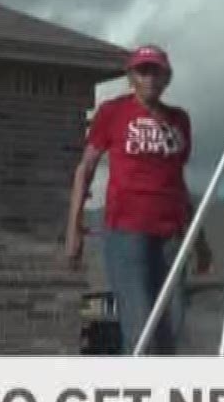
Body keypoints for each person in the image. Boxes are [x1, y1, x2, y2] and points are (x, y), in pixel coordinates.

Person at [65, 44, 212, 355]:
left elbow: (178, 181)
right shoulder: (113, 112)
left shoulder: (178, 119)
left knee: (170, 326)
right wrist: (74, 228)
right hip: (127, 229)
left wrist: (198, 240)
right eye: (143, 72)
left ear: (166, 78)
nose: (150, 79)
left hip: (171, 233)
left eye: (156, 72)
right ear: (131, 76)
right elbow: (86, 168)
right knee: (140, 329)